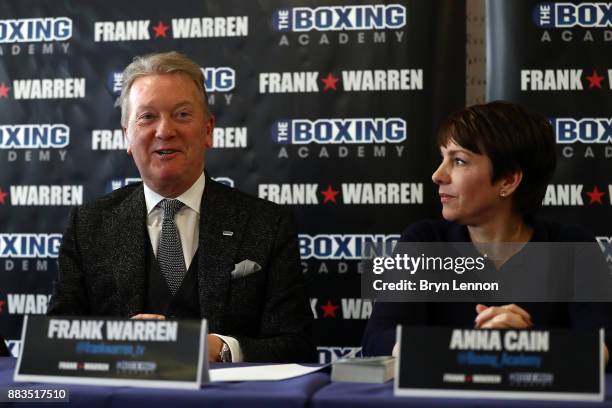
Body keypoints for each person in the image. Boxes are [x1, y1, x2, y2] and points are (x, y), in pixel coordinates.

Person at [48, 51, 315, 364]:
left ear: (208, 130)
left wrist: (219, 348)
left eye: (182, 115)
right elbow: (55, 340)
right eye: (147, 117)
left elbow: (298, 346)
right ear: (127, 137)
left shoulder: (267, 224)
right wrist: (116, 342)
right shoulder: (88, 225)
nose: (165, 131)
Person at [362, 101, 611, 362]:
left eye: (458, 161)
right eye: (442, 158)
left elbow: (603, 346)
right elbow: (376, 340)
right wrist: (471, 345)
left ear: (508, 180)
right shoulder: (423, 239)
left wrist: (528, 342)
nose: (438, 175)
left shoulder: (573, 247)